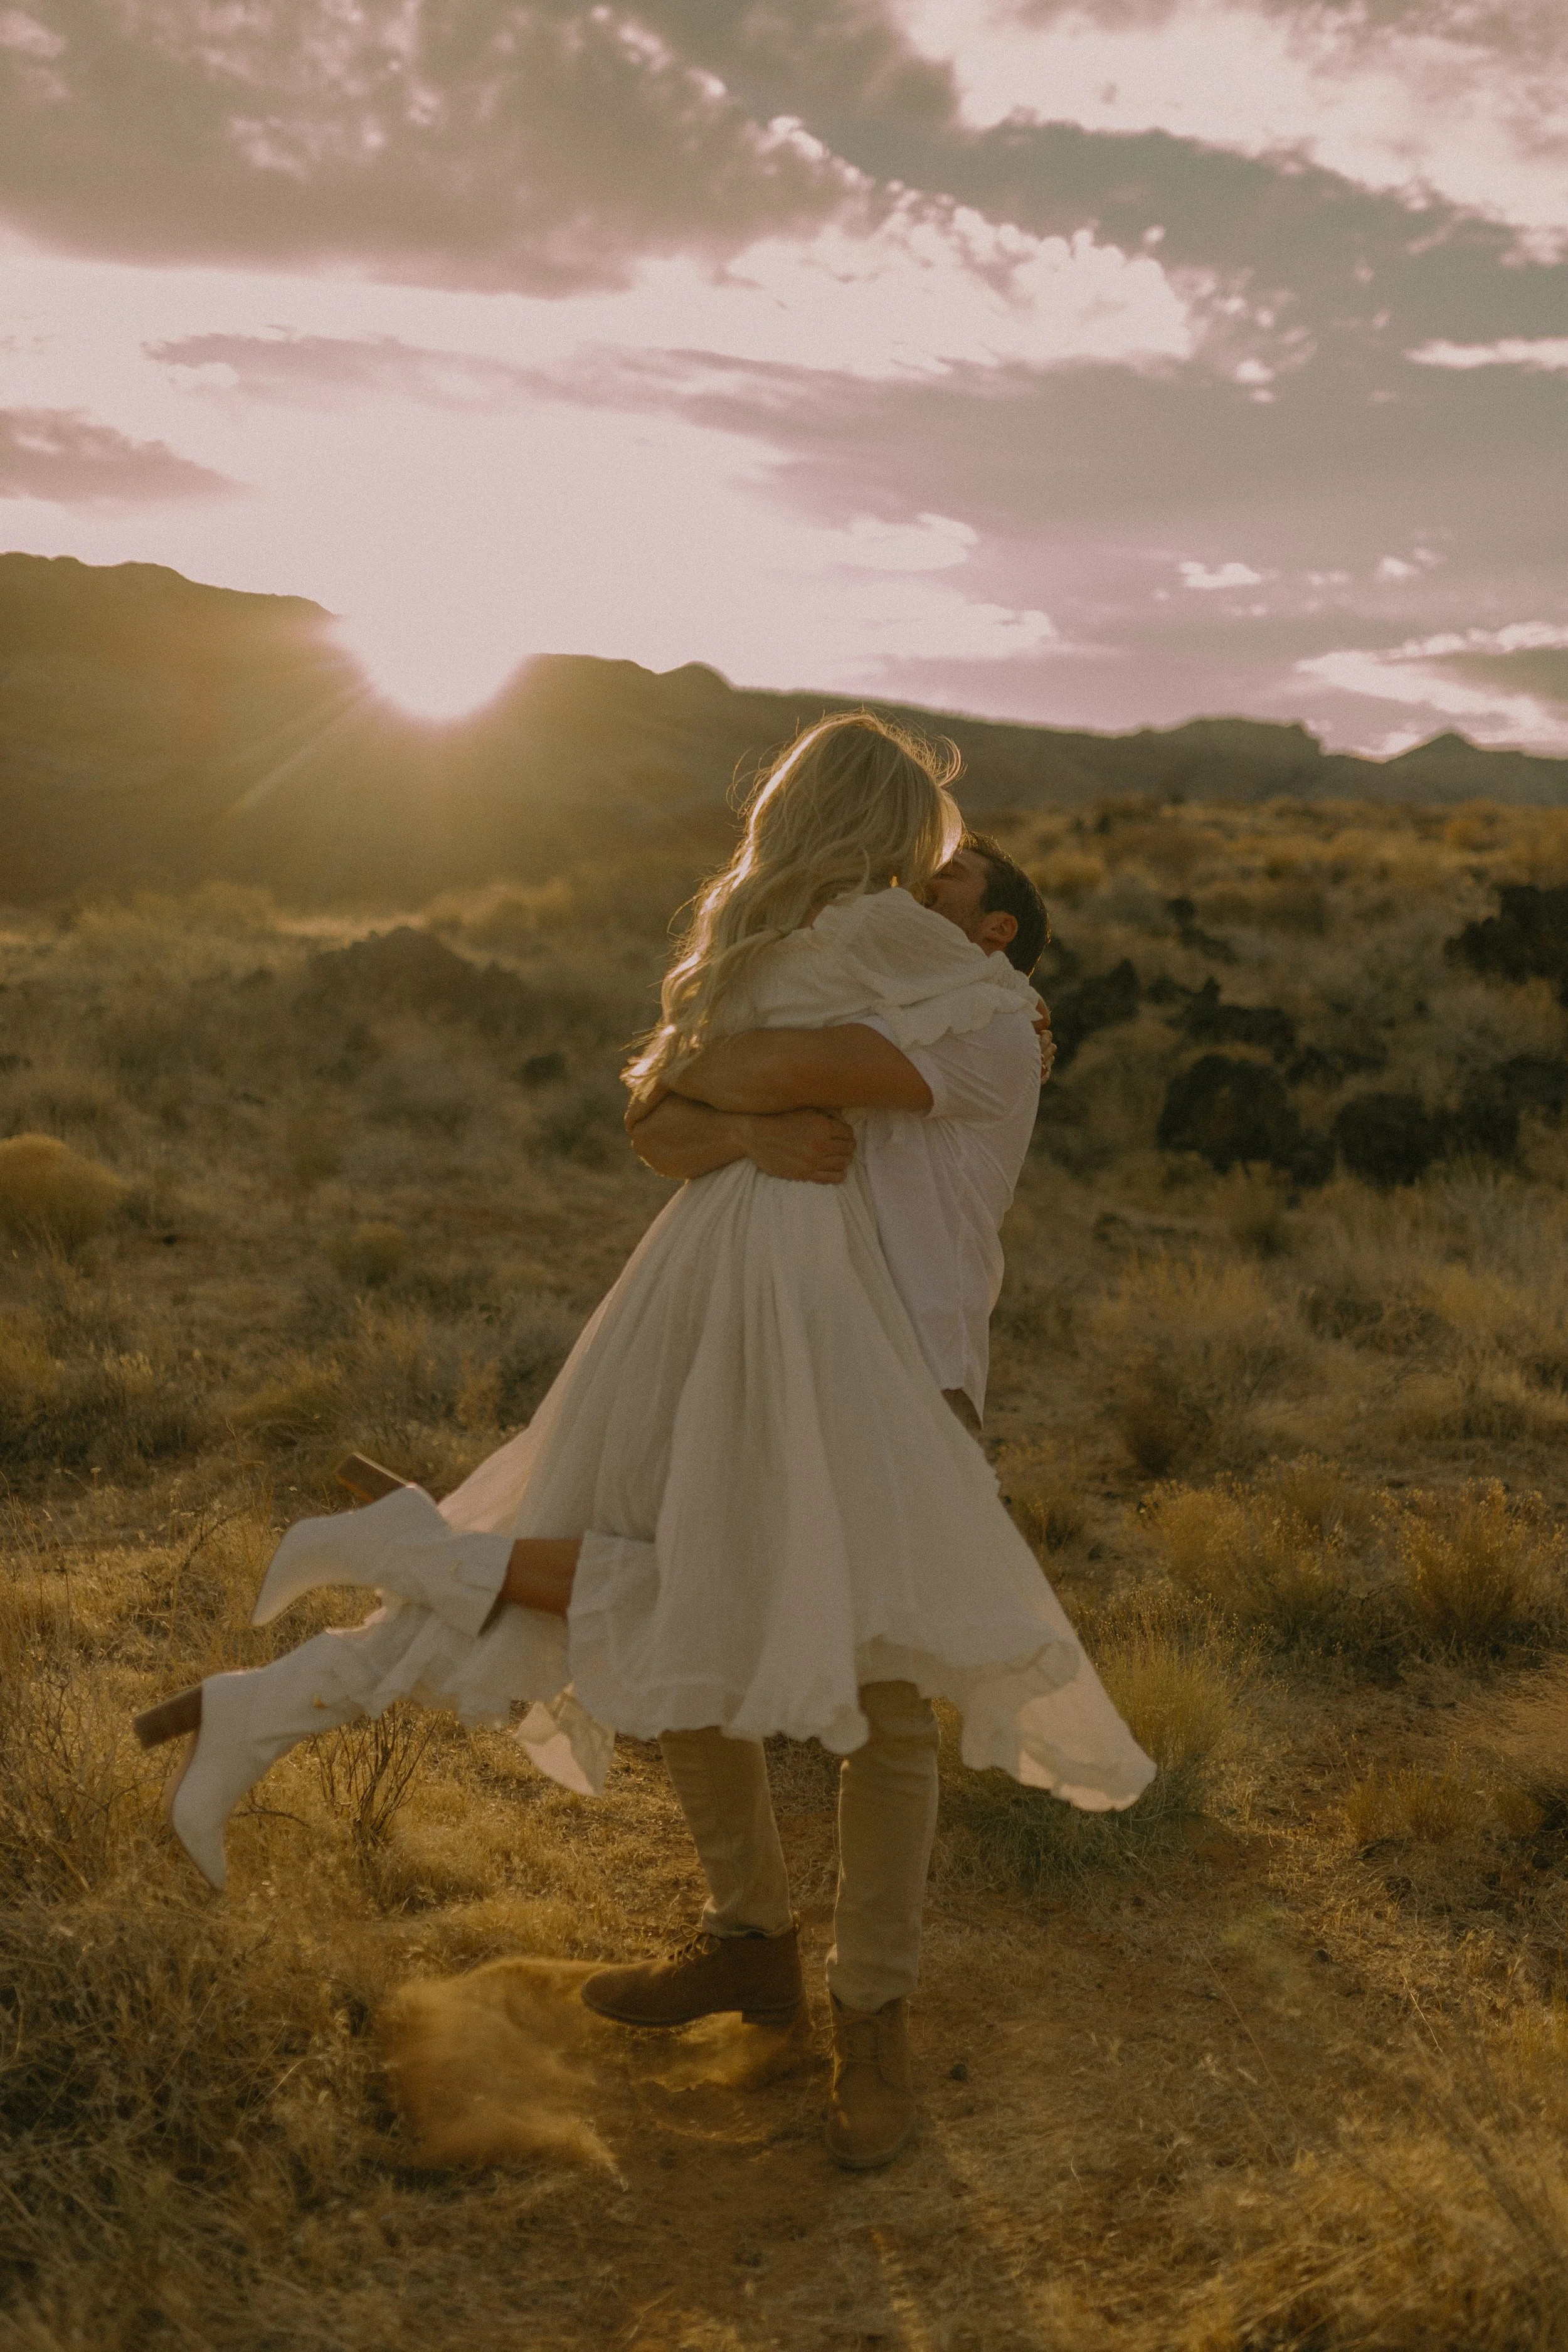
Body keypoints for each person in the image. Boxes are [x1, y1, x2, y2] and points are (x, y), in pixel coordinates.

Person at [142, 716, 1154, 2170]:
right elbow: (664, 1115)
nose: (920, 896)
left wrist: (706, 1073)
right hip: (742, 1358)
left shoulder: (988, 1018)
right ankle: (748, 1940)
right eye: (918, 867)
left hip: (903, 1377)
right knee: (686, 1631)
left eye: (942, 885)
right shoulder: (846, 970)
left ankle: (869, 2016)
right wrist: (723, 1118)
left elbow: (750, 1065)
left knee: (879, 1702)